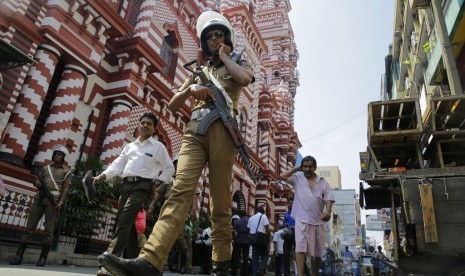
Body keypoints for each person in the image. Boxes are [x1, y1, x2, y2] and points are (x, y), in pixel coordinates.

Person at [97, 10, 254, 276]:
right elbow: (172, 102)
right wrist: (191, 90)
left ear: (226, 38)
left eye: (219, 34)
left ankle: (221, 264)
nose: (215, 39)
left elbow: (245, 79)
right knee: (179, 192)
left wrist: (226, 57)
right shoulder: (199, 71)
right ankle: (151, 259)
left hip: (224, 134)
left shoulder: (236, 60)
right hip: (195, 132)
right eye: (210, 36)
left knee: (219, 201)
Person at [93, 112, 174, 276]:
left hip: (142, 187)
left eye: (149, 124)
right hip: (125, 186)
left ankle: (109, 263)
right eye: (143, 122)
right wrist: (102, 176)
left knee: (124, 220)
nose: (145, 125)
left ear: (154, 128)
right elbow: (118, 164)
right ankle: (133, 263)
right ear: (139, 125)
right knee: (128, 225)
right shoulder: (130, 147)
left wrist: (158, 182)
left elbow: (169, 168)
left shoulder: (158, 147)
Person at [9, 144, 72, 266]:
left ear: (64, 157)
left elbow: (65, 189)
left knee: (48, 231)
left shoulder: (67, 171)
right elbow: (36, 181)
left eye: (60, 154)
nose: (57, 156)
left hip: (52, 201)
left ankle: (43, 258)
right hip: (39, 198)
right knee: (29, 228)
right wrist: (37, 182)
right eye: (56, 154)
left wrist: (61, 202)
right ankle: (18, 256)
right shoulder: (45, 168)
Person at [279, 155, 335, 276]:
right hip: (301, 221)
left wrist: (328, 211)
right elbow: (282, 176)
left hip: (318, 222)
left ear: (314, 168)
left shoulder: (323, 182)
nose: (307, 169)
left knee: (318, 253)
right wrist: (297, 168)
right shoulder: (297, 179)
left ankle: (314, 274)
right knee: (300, 248)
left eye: (310, 166)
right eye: (305, 166)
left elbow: (329, 198)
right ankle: (300, 274)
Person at [248, 206, 270, 276]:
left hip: (252, 238)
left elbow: (248, 229)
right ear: (263, 212)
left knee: (255, 256)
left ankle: (254, 273)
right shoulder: (263, 216)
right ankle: (260, 269)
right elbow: (267, 227)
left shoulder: (251, 218)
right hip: (261, 238)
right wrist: (269, 235)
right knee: (266, 254)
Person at [230, 211, 250, 276]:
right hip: (247, 241)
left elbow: (233, 230)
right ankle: (245, 273)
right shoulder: (249, 221)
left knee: (236, 257)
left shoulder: (238, 222)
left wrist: (235, 238)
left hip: (238, 240)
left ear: (240, 215)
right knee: (245, 257)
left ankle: (234, 272)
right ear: (246, 215)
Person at [281, 202, 295, 276]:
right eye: (290, 206)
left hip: (296, 236)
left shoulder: (297, 215)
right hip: (288, 235)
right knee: (286, 254)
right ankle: (286, 272)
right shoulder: (286, 215)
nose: (291, 207)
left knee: (298, 254)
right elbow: (282, 226)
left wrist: (294, 227)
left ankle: (303, 271)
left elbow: (300, 224)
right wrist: (285, 225)